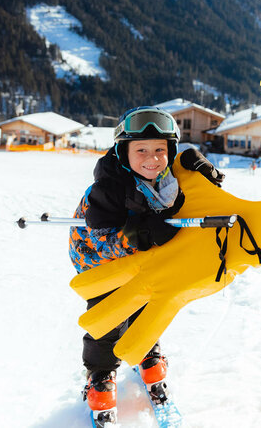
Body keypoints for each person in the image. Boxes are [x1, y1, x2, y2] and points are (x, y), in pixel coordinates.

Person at [68, 106, 224, 424]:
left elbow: (190, 192)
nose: (151, 158)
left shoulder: (165, 181)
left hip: (144, 260)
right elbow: (101, 240)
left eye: (160, 150)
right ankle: (100, 376)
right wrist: (140, 235)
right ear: (123, 153)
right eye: (141, 150)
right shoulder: (108, 189)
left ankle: (147, 352)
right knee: (108, 321)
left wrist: (204, 174)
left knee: (149, 305)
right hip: (100, 264)